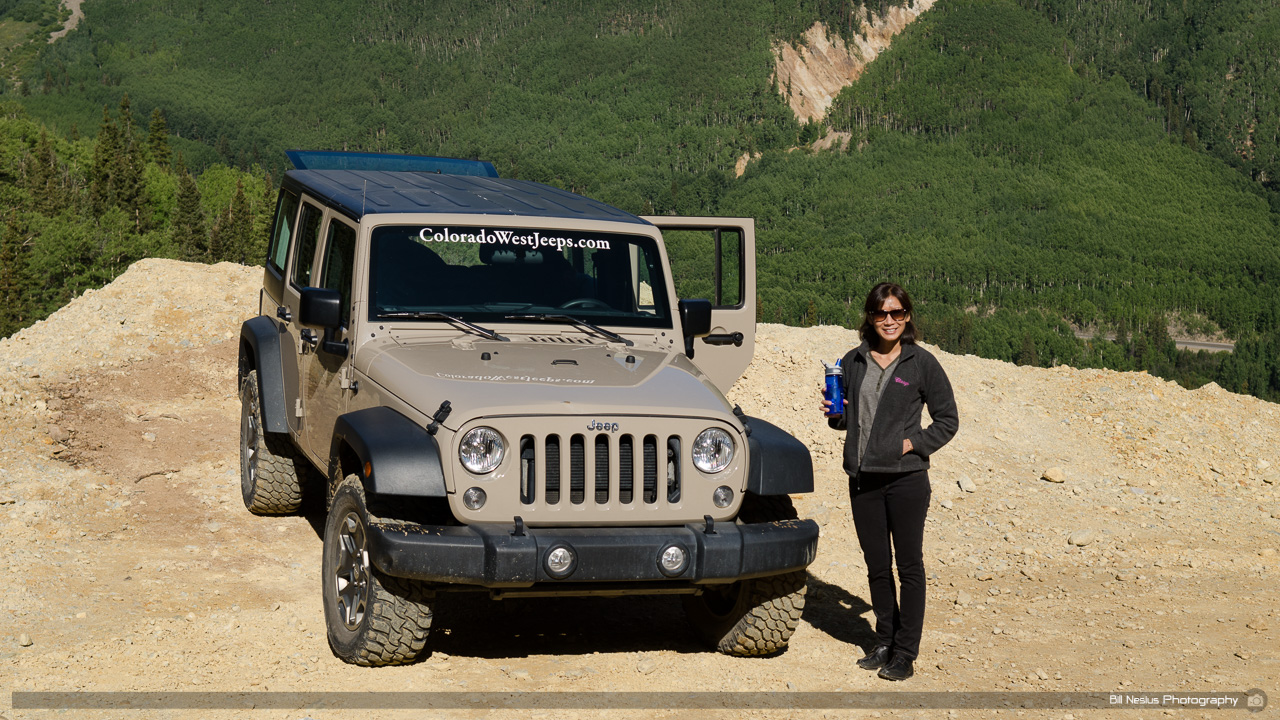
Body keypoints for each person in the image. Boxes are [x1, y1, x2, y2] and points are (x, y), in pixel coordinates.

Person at [820, 282, 958, 681]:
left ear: (908, 316)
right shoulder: (854, 360)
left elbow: (948, 420)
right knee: (877, 566)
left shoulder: (921, 363)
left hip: (906, 479)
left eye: (897, 313)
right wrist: (835, 414)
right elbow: (847, 419)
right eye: (881, 313)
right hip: (863, 479)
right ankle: (883, 640)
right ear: (869, 317)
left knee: (909, 566)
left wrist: (912, 443)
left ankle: (905, 652)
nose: (889, 320)